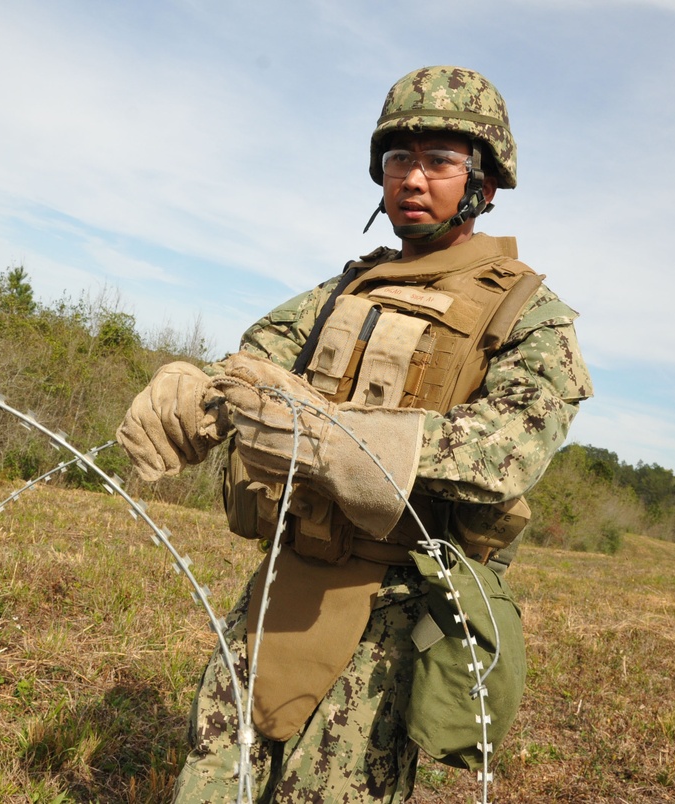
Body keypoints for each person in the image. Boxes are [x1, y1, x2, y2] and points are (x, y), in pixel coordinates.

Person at [117, 65, 592, 803]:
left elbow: (514, 446)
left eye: (440, 161)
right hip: (284, 583)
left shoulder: (530, 315)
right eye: (399, 159)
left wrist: (348, 444)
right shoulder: (342, 292)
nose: (413, 178)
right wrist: (197, 396)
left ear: (485, 184)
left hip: (396, 611)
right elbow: (252, 366)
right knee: (212, 778)